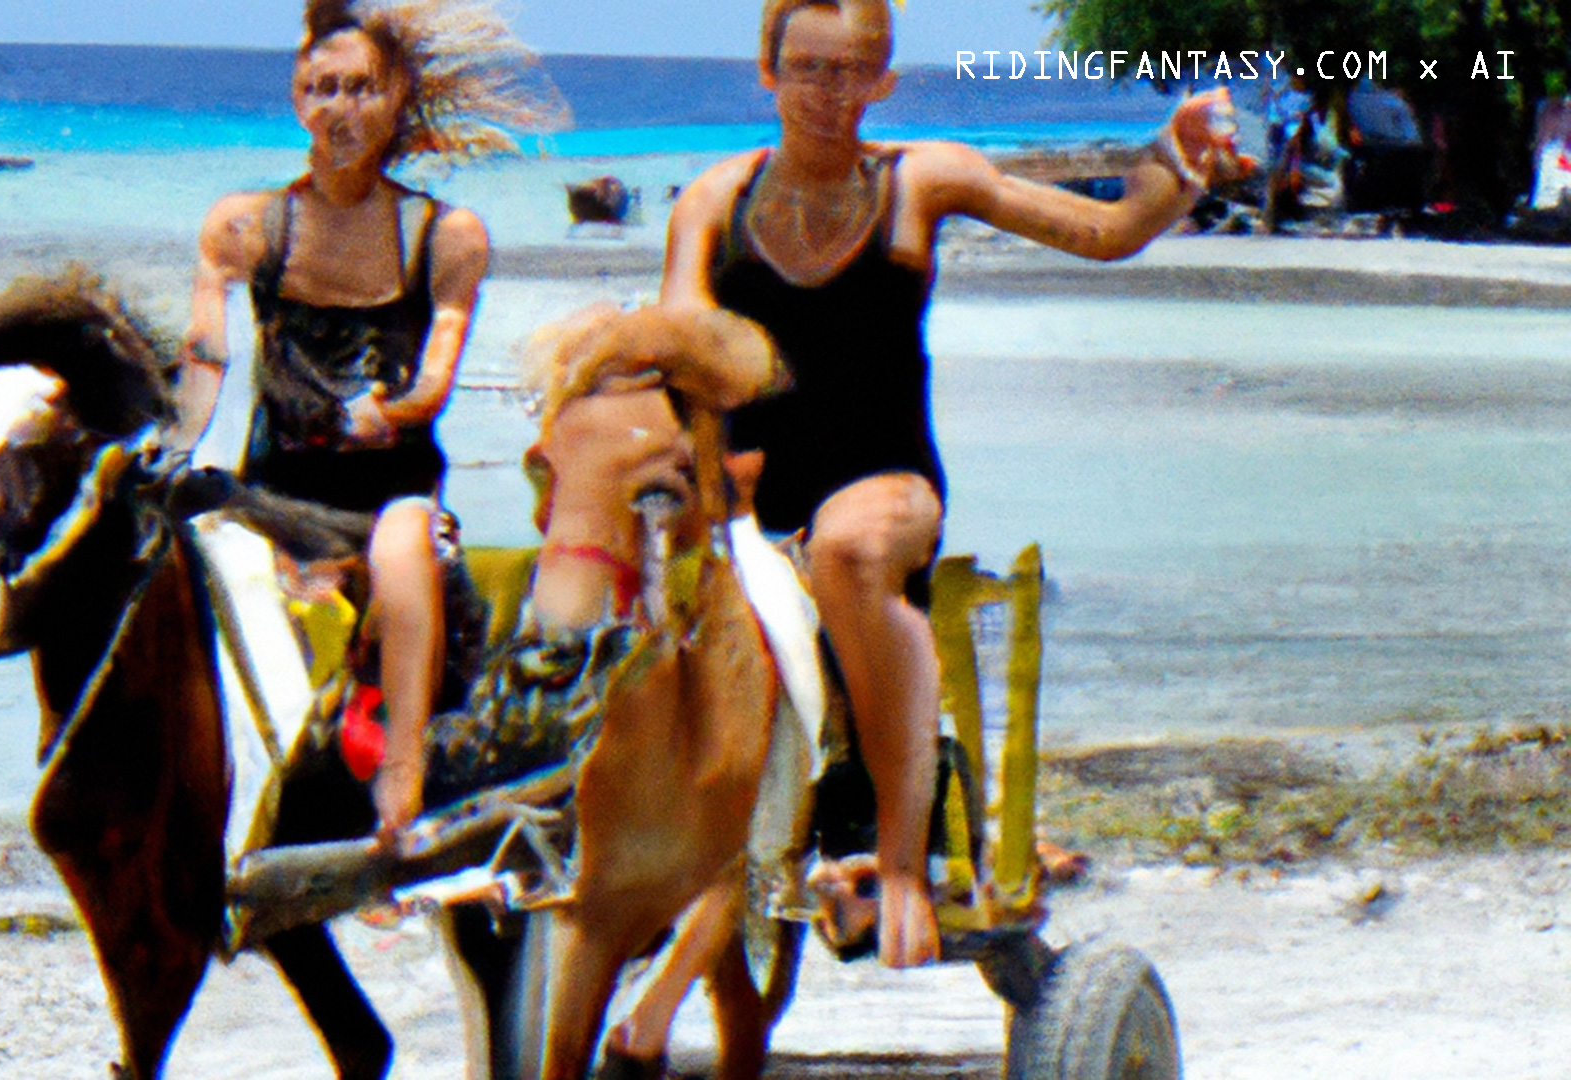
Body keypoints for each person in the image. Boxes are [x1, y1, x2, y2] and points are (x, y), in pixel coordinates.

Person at [660, 0, 1248, 968]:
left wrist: (1175, 162)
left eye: (849, 70)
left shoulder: (921, 178)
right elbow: (678, 341)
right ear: (767, 74)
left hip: (882, 476)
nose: (826, 91)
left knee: (848, 549)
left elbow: (1105, 230)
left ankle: (900, 858)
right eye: (805, 68)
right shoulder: (713, 200)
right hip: (749, 490)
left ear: (882, 80)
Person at [172, 0, 563, 846]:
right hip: (273, 492)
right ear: (296, 98)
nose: (340, 108)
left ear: (397, 100)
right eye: (322, 89)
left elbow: (433, 384)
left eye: (361, 89)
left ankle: (403, 770)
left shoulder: (443, 234)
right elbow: (207, 355)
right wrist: (171, 443)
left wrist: (386, 415)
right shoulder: (246, 225)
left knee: (402, 549)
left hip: (392, 496)